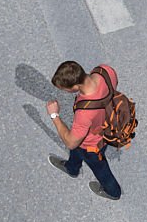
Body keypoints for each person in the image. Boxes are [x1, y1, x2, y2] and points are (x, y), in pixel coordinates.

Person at [47, 61, 123, 200]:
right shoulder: (104, 70)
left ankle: (113, 192)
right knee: (77, 152)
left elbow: (71, 142)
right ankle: (72, 168)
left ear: (76, 86)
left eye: (65, 89)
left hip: (91, 144)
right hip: (107, 125)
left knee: (99, 167)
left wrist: (54, 115)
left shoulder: (84, 113)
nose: (64, 91)